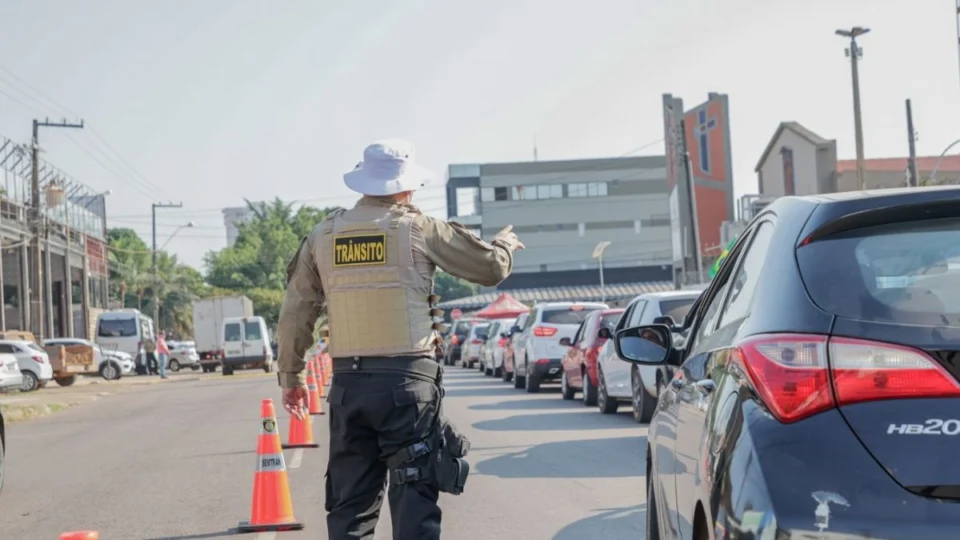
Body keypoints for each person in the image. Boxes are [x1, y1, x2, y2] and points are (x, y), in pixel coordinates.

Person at [276, 139, 524, 540]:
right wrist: (505, 246)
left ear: (364, 182)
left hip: (349, 387)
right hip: (408, 387)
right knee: (414, 501)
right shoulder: (419, 228)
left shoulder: (323, 234)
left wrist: (292, 377)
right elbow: (490, 268)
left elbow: (296, 311)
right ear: (407, 186)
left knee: (349, 507)